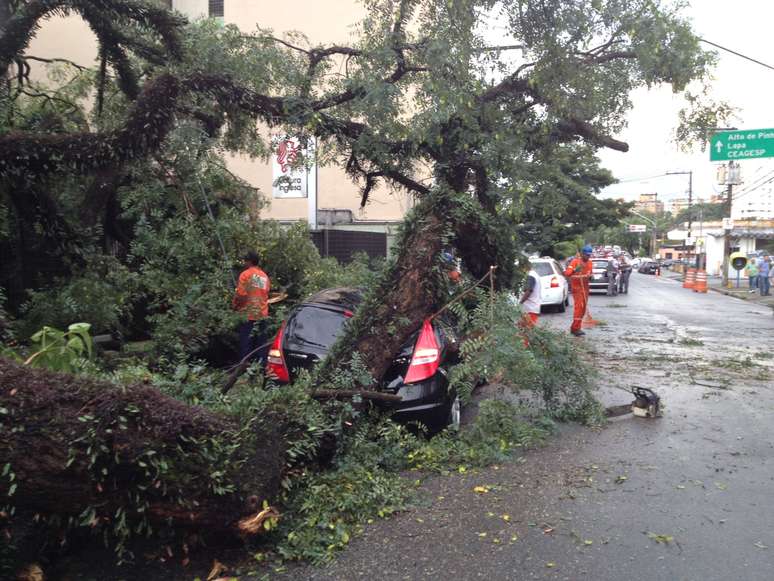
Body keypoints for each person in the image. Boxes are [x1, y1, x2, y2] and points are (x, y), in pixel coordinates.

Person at [232, 251, 271, 361]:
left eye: (245, 260)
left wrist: (235, 305)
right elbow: (263, 293)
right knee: (260, 346)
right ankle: (260, 371)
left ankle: (243, 371)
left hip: (248, 316)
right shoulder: (264, 276)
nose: (244, 262)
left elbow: (241, 294)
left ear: (249, 261)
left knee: (246, 346)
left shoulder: (245, 274)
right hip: (262, 315)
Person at [563, 245, 594, 336]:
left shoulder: (590, 263)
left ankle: (577, 327)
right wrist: (576, 269)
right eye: (587, 255)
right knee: (579, 308)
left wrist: (591, 277)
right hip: (577, 288)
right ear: (582, 254)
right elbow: (567, 273)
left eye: (589, 255)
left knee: (583, 308)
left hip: (585, 288)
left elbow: (591, 275)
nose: (588, 257)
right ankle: (575, 328)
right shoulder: (575, 262)